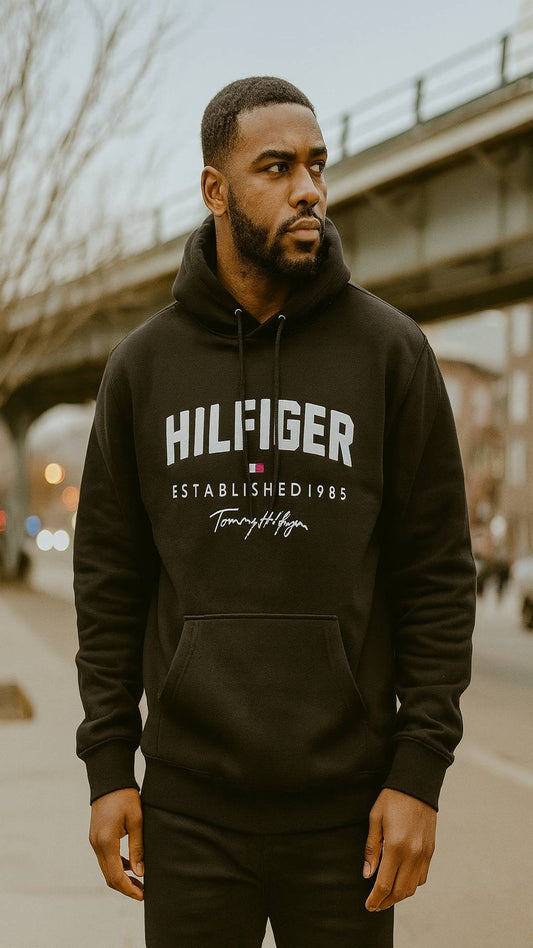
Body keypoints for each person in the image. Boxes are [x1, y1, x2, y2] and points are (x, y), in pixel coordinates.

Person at [74, 76, 477, 947]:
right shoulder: (141, 370)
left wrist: (419, 774)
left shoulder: (391, 354)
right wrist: (109, 768)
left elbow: (437, 578)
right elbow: (108, 584)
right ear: (216, 190)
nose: (309, 190)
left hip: (348, 818)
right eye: (277, 167)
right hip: (187, 814)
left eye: (317, 166)